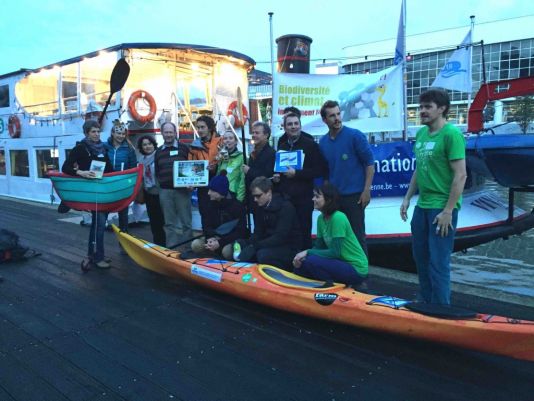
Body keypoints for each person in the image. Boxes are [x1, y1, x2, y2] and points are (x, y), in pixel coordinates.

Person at [400, 88, 467, 305]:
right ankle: (425, 300)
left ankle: (441, 308)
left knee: (439, 260)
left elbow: (461, 174)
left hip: (442, 208)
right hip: (422, 206)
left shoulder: (451, 135)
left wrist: (449, 210)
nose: (422, 111)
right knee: (421, 257)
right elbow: (420, 169)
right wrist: (408, 197)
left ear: (442, 109)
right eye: (420, 107)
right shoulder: (421, 134)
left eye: (428, 107)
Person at [319, 100, 375, 255]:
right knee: (336, 238)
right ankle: (343, 273)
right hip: (334, 199)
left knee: (357, 236)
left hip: (354, 197)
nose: (337, 118)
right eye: (332, 116)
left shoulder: (355, 136)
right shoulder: (323, 142)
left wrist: (366, 191)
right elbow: (325, 173)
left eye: (338, 114)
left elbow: (370, 164)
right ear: (324, 120)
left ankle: (362, 274)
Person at [293, 183, 368, 285]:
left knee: (311, 260)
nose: (313, 199)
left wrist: (307, 252)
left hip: (356, 268)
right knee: (302, 264)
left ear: (328, 200)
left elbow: (334, 252)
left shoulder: (338, 217)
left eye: (317, 196)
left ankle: (331, 287)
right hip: (340, 263)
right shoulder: (320, 219)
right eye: (313, 196)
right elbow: (319, 248)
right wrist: (301, 259)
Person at [62, 120, 113, 269]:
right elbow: (66, 167)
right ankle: (98, 258)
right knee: (99, 224)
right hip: (92, 192)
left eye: (98, 131)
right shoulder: (80, 148)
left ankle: (95, 254)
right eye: (93, 131)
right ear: (86, 133)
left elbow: (109, 168)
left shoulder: (103, 148)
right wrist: (81, 172)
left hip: (103, 190)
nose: (96, 134)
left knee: (97, 224)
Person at [275, 112, 326, 249]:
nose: (293, 127)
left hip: (304, 199)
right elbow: (279, 171)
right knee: (288, 233)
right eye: (290, 124)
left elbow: (318, 170)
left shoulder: (310, 145)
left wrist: (296, 173)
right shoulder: (282, 147)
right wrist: (277, 177)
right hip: (286, 199)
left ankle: (305, 264)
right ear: (284, 127)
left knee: (304, 234)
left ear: (300, 125)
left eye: (296, 123)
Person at [233, 176, 302, 271]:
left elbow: (280, 237)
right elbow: (258, 232)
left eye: (258, 196)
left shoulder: (286, 207)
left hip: (288, 247)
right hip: (268, 243)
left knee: (262, 254)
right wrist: (248, 243)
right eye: (254, 196)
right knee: (240, 245)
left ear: (269, 192)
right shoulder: (260, 207)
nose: (255, 200)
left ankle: (284, 274)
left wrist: (254, 246)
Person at [190, 171, 247, 259]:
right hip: (213, 238)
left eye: (212, 190)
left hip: (229, 241)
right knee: (196, 244)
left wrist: (220, 242)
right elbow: (206, 225)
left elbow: (241, 232)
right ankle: (210, 260)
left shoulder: (237, 207)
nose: (208, 193)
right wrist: (211, 238)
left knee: (226, 252)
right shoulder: (209, 204)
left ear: (221, 192)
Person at [154, 121, 191, 248]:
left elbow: (191, 166)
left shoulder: (184, 148)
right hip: (165, 191)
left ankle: (188, 249)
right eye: (166, 132)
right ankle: (172, 249)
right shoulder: (158, 152)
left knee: (186, 222)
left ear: (175, 133)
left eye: (171, 132)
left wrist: (191, 183)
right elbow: (157, 171)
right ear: (162, 133)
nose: (168, 135)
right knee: (169, 223)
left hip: (182, 191)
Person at [188, 116, 222, 231]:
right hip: (203, 184)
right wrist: (191, 181)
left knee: (219, 214)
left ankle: (219, 243)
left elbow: (228, 160)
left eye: (203, 127)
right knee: (205, 213)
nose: (200, 130)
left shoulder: (221, 141)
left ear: (210, 128)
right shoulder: (194, 145)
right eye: (198, 127)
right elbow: (191, 165)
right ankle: (208, 240)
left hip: (218, 182)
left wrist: (216, 165)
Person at [104, 120, 137, 234]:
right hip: (106, 184)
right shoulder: (104, 147)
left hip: (122, 185)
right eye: (118, 133)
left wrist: (130, 184)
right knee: (103, 212)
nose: (121, 136)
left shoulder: (129, 149)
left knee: (123, 214)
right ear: (113, 133)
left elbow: (133, 168)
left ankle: (124, 242)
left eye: (123, 134)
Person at [137, 135, 166, 246]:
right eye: (144, 144)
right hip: (149, 193)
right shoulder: (141, 161)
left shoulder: (159, 156)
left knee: (164, 221)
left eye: (149, 144)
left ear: (154, 144)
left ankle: (168, 246)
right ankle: (158, 245)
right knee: (154, 222)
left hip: (161, 193)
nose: (147, 146)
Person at [242, 121, 276, 210]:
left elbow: (267, 176)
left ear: (266, 135)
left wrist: (249, 171)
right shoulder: (253, 151)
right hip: (253, 198)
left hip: (264, 198)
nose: (253, 135)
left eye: (257, 133)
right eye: (253, 132)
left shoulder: (271, 153)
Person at [217, 130, 246, 202]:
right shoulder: (221, 156)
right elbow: (218, 175)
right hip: (220, 193)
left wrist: (240, 198)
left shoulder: (241, 157)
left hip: (233, 193)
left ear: (236, 141)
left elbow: (243, 179)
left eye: (230, 138)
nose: (228, 140)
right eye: (225, 138)